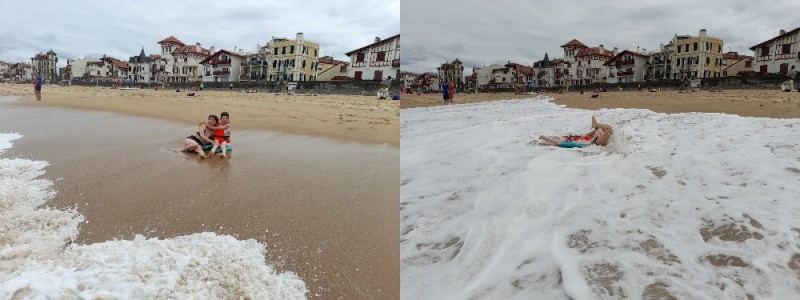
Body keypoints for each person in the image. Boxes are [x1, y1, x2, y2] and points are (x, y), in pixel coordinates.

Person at [539, 116, 613, 148]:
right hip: (597, 141)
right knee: (610, 129)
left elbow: (586, 136)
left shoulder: (583, 138)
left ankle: (597, 124)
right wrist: (545, 138)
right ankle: (596, 124)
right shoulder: (577, 143)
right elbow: (559, 143)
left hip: (596, 140)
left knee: (610, 129)